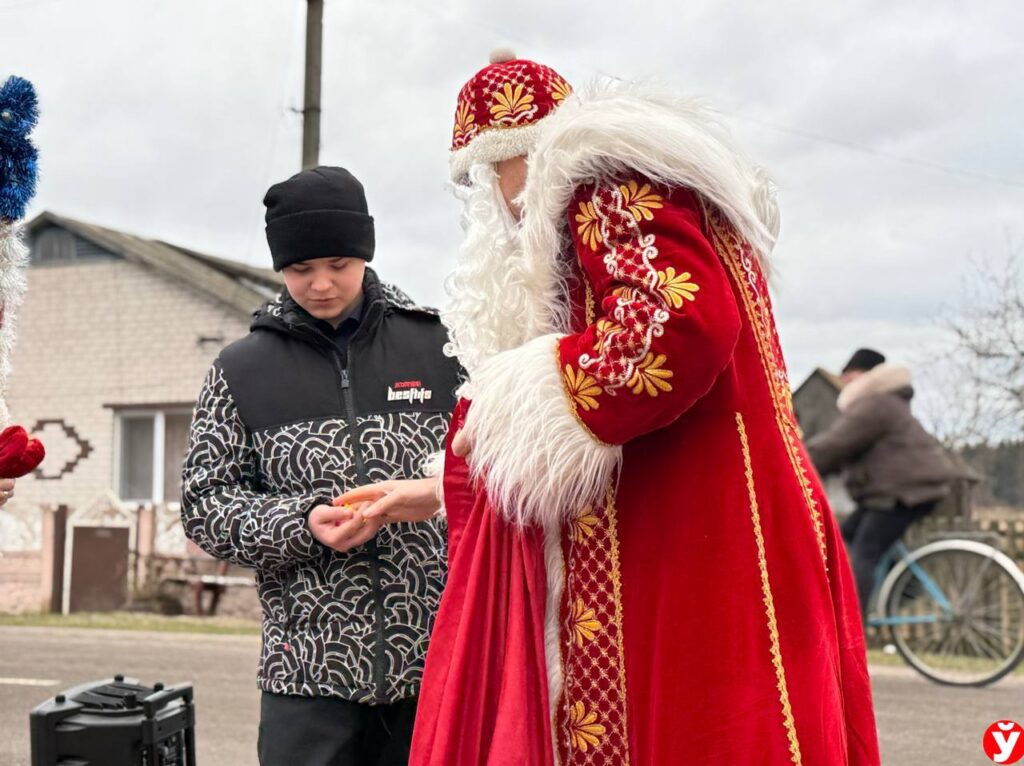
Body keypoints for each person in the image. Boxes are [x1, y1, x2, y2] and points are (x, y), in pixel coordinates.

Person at [357, 52, 880, 765]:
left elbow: (676, 327)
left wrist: (518, 399)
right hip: (722, 509)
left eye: (490, 177)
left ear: (515, 156)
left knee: (702, 729)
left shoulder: (599, 181)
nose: (498, 203)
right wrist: (443, 486)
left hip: (691, 526)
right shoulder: (645, 185)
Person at [180, 166, 461, 766]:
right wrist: (301, 522)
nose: (322, 284)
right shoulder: (240, 370)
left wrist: (436, 493)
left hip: (439, 662)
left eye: (338, 263)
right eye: (301, 269)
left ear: (366, 250)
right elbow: (204, 505)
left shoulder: (443, 349)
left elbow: (502, 475)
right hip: (305, 675)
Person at [807, 348, 958, 617]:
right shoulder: (886, 401)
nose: (844, 383)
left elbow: (836, 445)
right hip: (902, 490)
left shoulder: (874, 404)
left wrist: (799, 461)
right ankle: (907, 588)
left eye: (848, 376)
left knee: (865, 550)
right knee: (847, 536)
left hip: (902, 492)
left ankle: (854, 625)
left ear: (864, 376)